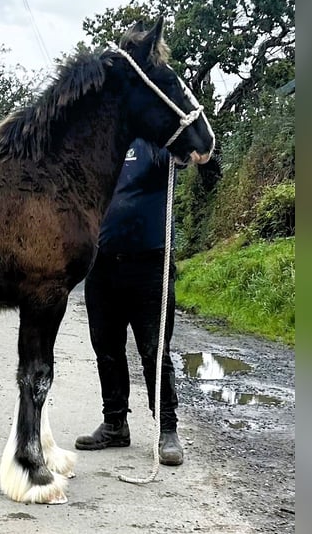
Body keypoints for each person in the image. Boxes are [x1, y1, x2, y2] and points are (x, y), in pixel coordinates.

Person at [75, 137, 184, 465]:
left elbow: (199, 151)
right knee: (106, 349)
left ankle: (167, 430)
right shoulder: (101, 146)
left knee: (153, 351)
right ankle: (115, 424)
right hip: (102, 263)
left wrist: (194, 149)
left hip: (150, 264)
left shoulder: (158, 144)